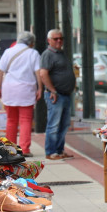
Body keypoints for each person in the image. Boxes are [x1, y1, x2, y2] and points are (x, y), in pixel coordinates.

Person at [0, 31, 42, 156]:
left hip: (9, 90)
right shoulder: (33, 53)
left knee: (11, 120)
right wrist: (40, 88)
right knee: (25, 120)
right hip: (26, 90)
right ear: (31, 43)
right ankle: (25, 149)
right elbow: (38, 73)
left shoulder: (8, 52)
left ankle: (10, 149)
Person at [39, 29, 76, 160]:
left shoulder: (61, 53)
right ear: (49, 41)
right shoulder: (48, 54)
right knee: (54, 125)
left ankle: (59, 150)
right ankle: (51, 152)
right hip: (55, 95)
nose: (59, 41)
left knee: (64, 125)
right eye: (56, 39)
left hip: (65, 95)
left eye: (61, 38)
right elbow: (43, 74)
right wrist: (52, 90)